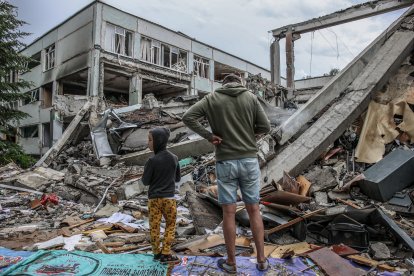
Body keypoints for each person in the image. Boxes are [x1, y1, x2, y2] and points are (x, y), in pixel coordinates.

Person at [182, 74, 271, 273]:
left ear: (223, 85)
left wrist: (209, 136)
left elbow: (188, 117)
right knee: (254, 210)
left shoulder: (212, 98)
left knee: (228, 213)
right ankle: (262, 260)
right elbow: (266, 126)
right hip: (249, 160)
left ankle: (231, 263)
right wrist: (250, 135)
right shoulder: (250, 97)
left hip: (225, 161)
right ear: (239, 84)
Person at [141, 127, 181, 263]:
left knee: (154, 226)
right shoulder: (174, 158)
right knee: (170, 225)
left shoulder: (151, 161)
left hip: (153, 200)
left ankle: (157, 253)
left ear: (158, 141)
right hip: (169, 199)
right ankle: (166, 253)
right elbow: (177, 179)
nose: (148, 142)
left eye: (150, 140)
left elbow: (145, 181)